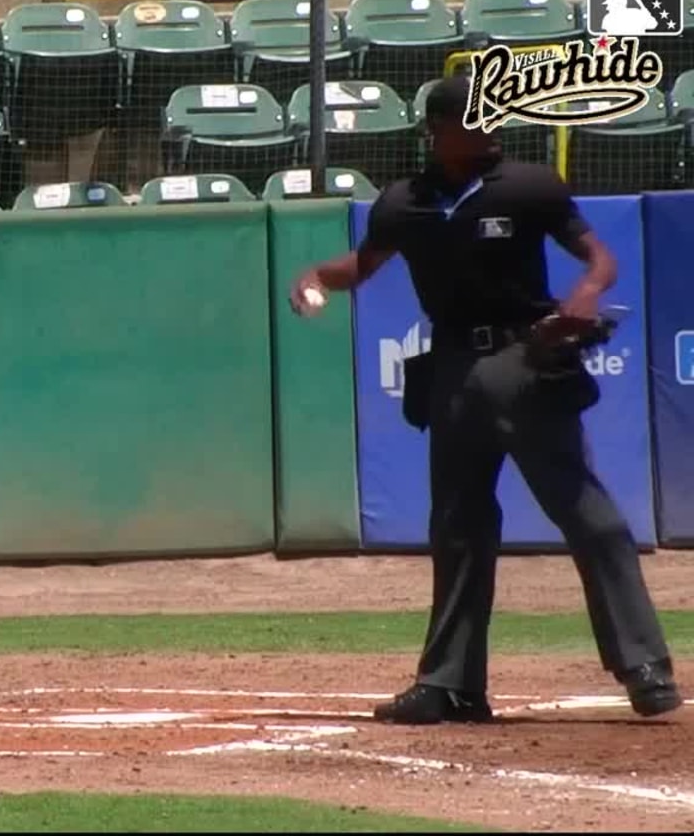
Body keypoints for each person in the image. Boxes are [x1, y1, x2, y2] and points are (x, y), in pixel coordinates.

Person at [289, 75, 681, 725]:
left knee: (587, 512)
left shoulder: (528, 187)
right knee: (459, 527)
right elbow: (362, 264)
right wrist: (312, 280)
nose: (490, 127)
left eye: (494, 116)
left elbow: (599, 258)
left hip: (527, 360)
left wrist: (583, 298)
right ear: (438, 130)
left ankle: (644, 663)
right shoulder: (402, 204)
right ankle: (452, 684)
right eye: (475, 118)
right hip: (452, 371)